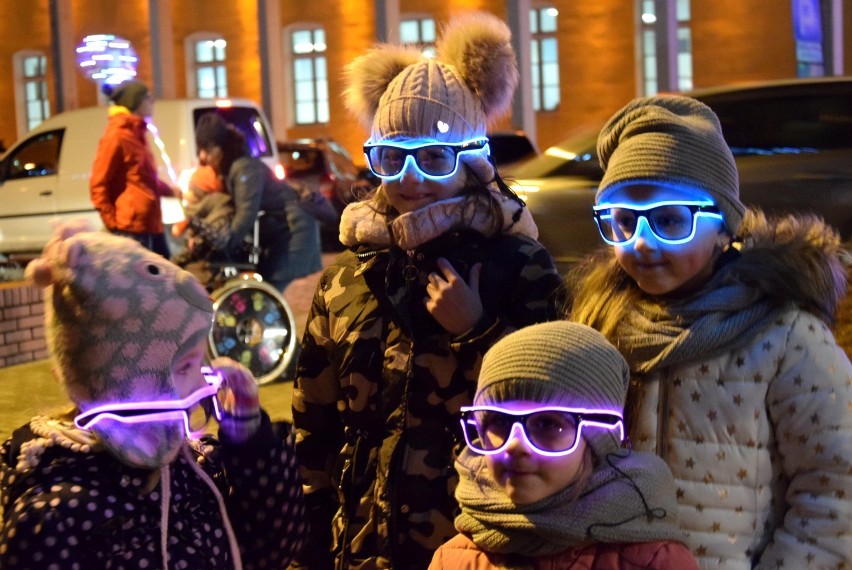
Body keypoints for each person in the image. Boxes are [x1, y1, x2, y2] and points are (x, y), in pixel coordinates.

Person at [291, 12, 565, 569]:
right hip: (361, 547)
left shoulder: (518, 264)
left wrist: (477, 331)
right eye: (393, 157)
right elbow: (313, 427)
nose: (411, 177)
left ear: (470, 161)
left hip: (475, 547)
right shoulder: (347, 278)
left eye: (434, 157)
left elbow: (554, 414)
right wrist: (309, 550)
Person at [566, 95, 852, 569]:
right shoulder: (599, 325)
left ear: (724, 228)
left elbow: (836, 484)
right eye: (621, 221)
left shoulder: (784, 336)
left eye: (670, 220)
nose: (641, 241)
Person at [0, 221, 307, 569]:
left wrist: (252, 440)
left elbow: (272, 550)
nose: (207, 378)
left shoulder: (192, 466)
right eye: (186, 366)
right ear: (130, 379)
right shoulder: (53, 518)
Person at [429, 321, 700, 569]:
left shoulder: (654, 559)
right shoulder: (454, 559)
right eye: (498, 421)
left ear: (598, 439)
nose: (513, 445)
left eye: (547, 424)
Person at [193, 113, 333, 291]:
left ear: (221, 147)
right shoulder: (233, 167)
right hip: (281, 233)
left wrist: (227, 245)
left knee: (268, 294)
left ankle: (275, 319)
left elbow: (246, 213)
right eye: (201, 150)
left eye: (208, 149)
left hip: (293, 232)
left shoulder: (244, 168)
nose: (204, 156)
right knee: (265, 291)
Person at [90, 79, 178, 258]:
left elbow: (143, 178)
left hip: (150, 224)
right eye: (148, 97)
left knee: (165, 278)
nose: (152, 102)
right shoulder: (117, 136)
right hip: (131, 228)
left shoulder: (136, 134)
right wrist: (113, 224)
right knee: (145, 283)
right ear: (135, 102)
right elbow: (98, 184)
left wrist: (170, 191)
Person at [170, 164, 233, 267]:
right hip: (198, 264)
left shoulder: (221, 207)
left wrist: (192, 222)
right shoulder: (201, 212)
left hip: (211, 267)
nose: (187, 194)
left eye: (192, 190)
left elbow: (218, 240)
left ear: (202, 193)